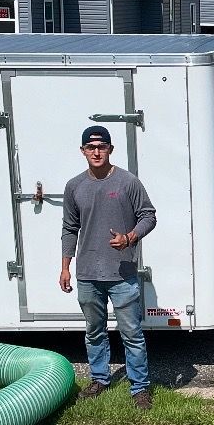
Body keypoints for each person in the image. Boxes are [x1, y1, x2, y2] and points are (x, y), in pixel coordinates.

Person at [60, 125, 157, 407]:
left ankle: (140, 387)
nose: (97, 151)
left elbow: (149, 217)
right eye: (91, 147)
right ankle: (99, 380)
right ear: (82, 151)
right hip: (88, 273)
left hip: (122, 273)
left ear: (111, 150)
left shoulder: (128, 182)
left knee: (132, 333)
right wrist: (65, 267)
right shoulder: (74, 186)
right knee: (94, 331)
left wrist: (129, 237)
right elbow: (69, 228)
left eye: (102, 146)